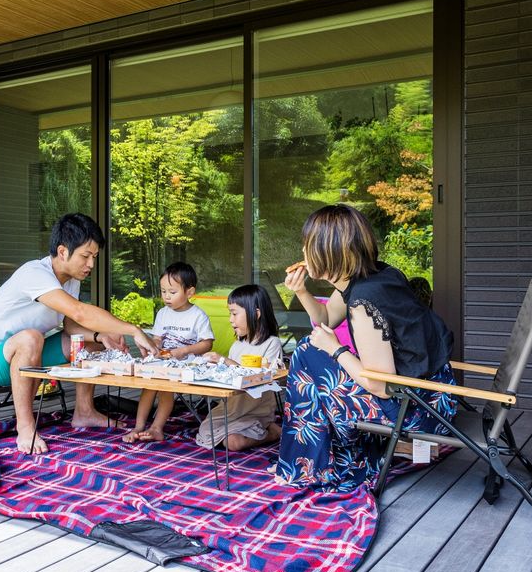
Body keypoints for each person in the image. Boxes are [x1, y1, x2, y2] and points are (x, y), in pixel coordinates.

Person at [275, 204, 457, 491]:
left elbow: (381, 385)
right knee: (312, 350)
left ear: (330, 251)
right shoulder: (373, 276)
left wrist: (336, 349)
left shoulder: (364, 302)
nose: (304, 253)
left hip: (419, 409)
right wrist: (300, 291)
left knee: (307, 355)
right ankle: (331, 460)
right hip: (434, 391)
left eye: (309, 245)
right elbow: (325, 319)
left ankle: (322, 467)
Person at [0, 213, 158, 455]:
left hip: (27, 355)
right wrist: (133, 330)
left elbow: (70, 324)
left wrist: (100, 336)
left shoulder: (70, 280)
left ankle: (84, 411)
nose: (91, 264)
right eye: (86, 256)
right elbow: (79, 312)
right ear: (63, 251)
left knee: (92, 343)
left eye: (94, 257)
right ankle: (25, 426)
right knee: (31, 336)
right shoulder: (34, 273)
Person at [125, 262, 215, 443]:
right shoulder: (163, 313)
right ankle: (138, 427)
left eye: (172, 292)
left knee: (165, 387)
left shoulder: (198, 315)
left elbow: (207, 344)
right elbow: (158, 338)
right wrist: (154, 347)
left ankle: (156, 428)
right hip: (164, 361)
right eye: (163, 291)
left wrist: (185, 350)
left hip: (187, 364)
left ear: (189, 292)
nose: (166, 296)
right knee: (148, 385)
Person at [196, 284, 284, 451]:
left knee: (234, 443)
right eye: (230, 313)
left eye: (234, 313)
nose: (230, 319)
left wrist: (225, 360)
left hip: (256, 410)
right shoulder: (237, 346)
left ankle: (273, 432)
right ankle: (262, 430)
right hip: (231, 409)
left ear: (256, 314)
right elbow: (230, 375)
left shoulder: (271, 343)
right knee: (205, 431)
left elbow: (262, 377)